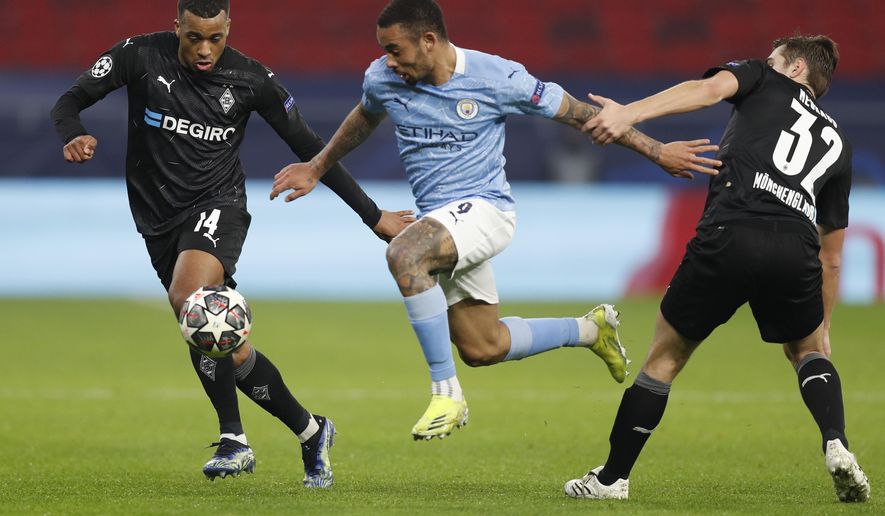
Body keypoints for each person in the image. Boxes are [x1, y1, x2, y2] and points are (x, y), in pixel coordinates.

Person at [270, 0, 720, 441]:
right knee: (483, 347)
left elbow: (580, 114)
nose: (389, 62)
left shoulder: (498, 77)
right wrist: (317, 165)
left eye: (396, 50)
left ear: (429, 41)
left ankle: (446, 394)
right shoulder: (382, 79)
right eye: (384, 51)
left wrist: (657, 150)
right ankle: (589, 329)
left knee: (405, 253)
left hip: (487, 210)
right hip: (442, 224)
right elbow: (364, 118)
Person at [50, 0, 412, 488]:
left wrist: (374, 216)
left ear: (228, 29)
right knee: (227, 346)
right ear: (175, 26)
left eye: (215, 38)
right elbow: (69, 100)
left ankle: (233, 441)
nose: (204, 50)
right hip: (156, 220)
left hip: (218, 205)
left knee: (194, 303)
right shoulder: (139, 56)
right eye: (193, 37)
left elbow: (311, 147)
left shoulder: (252, 80)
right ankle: (312, 430)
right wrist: (74, 134)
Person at [565, 34, 870, 503]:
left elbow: (705, 89)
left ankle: (611, 479)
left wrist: (629, 113)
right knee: (809, 353)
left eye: (774, 59)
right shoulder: (839, 144)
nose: (766, 63)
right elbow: (832, 255)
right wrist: (824, 324)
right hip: (795, 245)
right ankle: (837, 444)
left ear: (793, 70)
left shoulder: (762, 76)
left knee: (665, 358)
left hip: (732, 229)